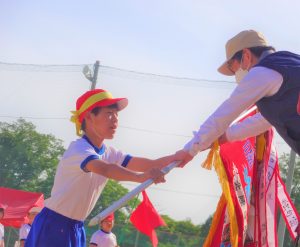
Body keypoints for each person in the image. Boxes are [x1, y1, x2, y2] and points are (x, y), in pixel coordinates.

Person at [25, 88, 185, 247]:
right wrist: (140, 177)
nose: (115, 120)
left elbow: (149, 164)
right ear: (88, 116)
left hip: (76, 227)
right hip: (53, 225)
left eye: (116, 115)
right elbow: (105, 169)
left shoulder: (109, 153)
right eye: (109, 114)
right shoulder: (79, 149)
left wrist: (178, 157)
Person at [179, 29, 300, 167]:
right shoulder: (289, 62)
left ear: (246, 55)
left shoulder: (261, 72)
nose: (234, 73)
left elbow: (224, 114)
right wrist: (226, 136)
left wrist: (189, 150)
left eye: (231, 66)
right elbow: (265, 120)